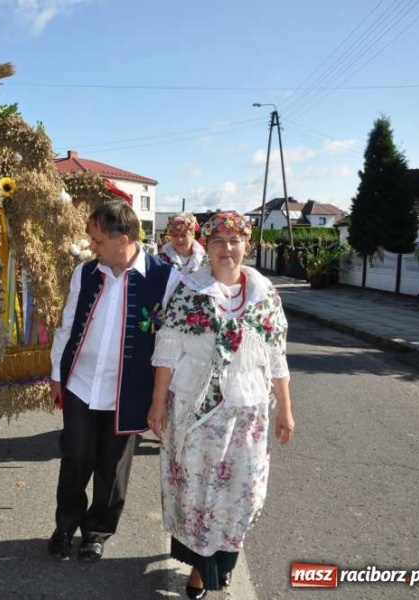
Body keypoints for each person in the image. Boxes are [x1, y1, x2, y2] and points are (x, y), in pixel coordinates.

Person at [147, 211, 295, 599]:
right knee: (199, 491)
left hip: (248, 409)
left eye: (235, 241)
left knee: (242, 491)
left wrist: (286, 409)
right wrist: (157, 403)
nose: (227, 249)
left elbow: (276, 357)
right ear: (206, 247)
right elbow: (167, 350)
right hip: (196, 409)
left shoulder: (266, 296)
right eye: (218, 241)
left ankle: (222, 558)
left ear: (247, 245)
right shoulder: (188, 290)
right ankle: (202, 568)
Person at [48, 201, 181, 562]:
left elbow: (172, 341)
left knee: (113, 464)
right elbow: (67, 324)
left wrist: (161, 398)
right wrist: (57, 374)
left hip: (129, 390)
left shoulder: (165, 278)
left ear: (123, 239)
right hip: (80, 382)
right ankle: (65, 525)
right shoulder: (85, 272)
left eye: (97, 240)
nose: (92, 246)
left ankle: (97, 531)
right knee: (75, 456)